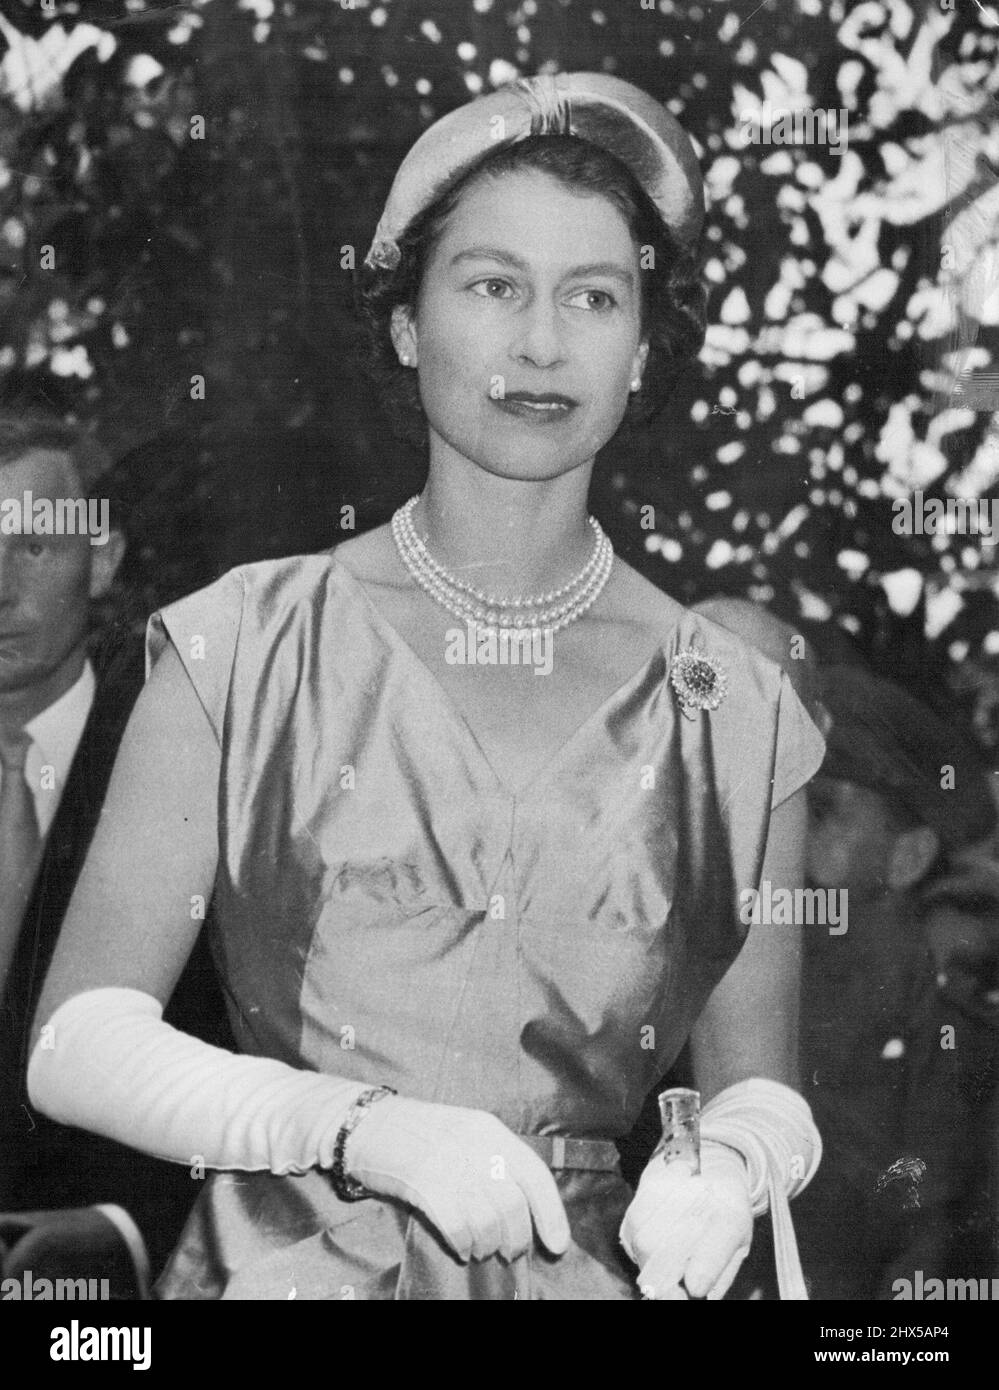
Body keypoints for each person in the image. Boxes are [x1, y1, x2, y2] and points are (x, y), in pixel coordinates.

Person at [27, 74, 826, 1301]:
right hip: (282, 1274)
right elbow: (78, 1043)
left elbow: (759, 1081)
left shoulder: (739, 709)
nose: (542, 343)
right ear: (407, 324)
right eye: (492, 285)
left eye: (594, 297)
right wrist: (356, 1127)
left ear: (644, 347)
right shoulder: (246, 641)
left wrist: (734, 1160)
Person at [0, 411, 230, 1295]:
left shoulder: (195, 768)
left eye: (33, 549)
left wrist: (123, 1229)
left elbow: (261, 1054)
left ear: (101, 559)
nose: (0, 587)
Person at [794, 663, 999, 1299]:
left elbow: (926, 1247)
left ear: (907, 857)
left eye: (822, 808)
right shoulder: (716, 967)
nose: (783, 832)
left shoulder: (950, 1040)